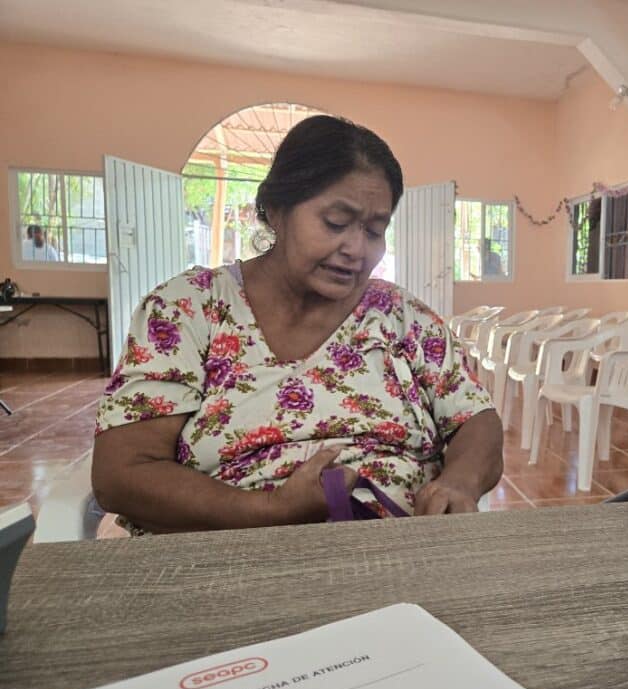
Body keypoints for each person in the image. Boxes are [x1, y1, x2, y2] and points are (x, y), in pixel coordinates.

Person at [93, 115, 503, 534]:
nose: (357, 249)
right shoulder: (189, 309)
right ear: (277, 209)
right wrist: (270, 509)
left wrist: (460, 481)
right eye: (336, 223)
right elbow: (121, 474)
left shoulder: (401, 316)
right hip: (228, 559)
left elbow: (477, 418)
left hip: (399, 554)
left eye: (375, 230)